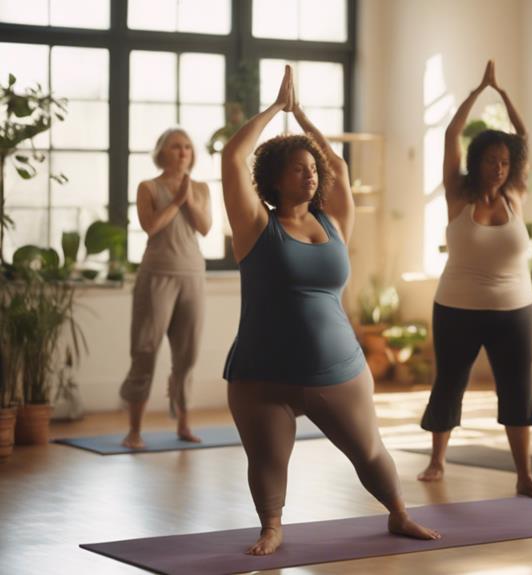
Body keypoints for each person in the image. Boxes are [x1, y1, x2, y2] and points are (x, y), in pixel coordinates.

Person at [221, 65, 440, 556]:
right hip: (261, 373)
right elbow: (233, 155)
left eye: (311, 167)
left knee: (368, 451)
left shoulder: (335, 221)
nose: (311, 173)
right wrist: (276, 110)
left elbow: (339, 168)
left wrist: (302, 118)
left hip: (336, 370)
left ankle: (400, 514)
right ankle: (272, 527)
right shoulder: (256, 224)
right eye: (298, 167)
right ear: (273, 180)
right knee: (267, 460)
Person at [416, 61, 532, 499]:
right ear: (478, 162)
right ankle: (437, 460)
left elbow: (525, 140)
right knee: (450, 382)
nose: (499, 167)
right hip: (457, 306)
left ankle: (524, 475)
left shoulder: (516, 194)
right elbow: (450, 135)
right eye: (492, 159)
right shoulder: (459, 193)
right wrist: (478, 91)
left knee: (517, 389)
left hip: (515, 309)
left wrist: (506, 96)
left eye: (505, 161)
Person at [120, 128, 211, 449]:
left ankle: (184, 424)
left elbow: (205, 227)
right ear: (162, 152)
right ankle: (134, 430)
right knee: (145, 350)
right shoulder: (148, 187)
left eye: (187, 146)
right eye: (175, 147)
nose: (183, 152)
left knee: (188, 355)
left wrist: (189, 198)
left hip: (192, 276)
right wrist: (177, 200)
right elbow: (151, 226)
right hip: (157, 275)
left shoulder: (200, 188)